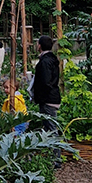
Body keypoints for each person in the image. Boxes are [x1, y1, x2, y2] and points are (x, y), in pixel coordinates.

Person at [31, 35, 62, 166]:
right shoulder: (52, 60)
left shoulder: (44, 62)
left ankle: (56, 159)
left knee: (51, 128)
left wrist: (38, 97)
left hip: (48, 98)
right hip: (53, 96)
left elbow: (45, 82)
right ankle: (52, 156)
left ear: (40, 45)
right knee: (49, 127)